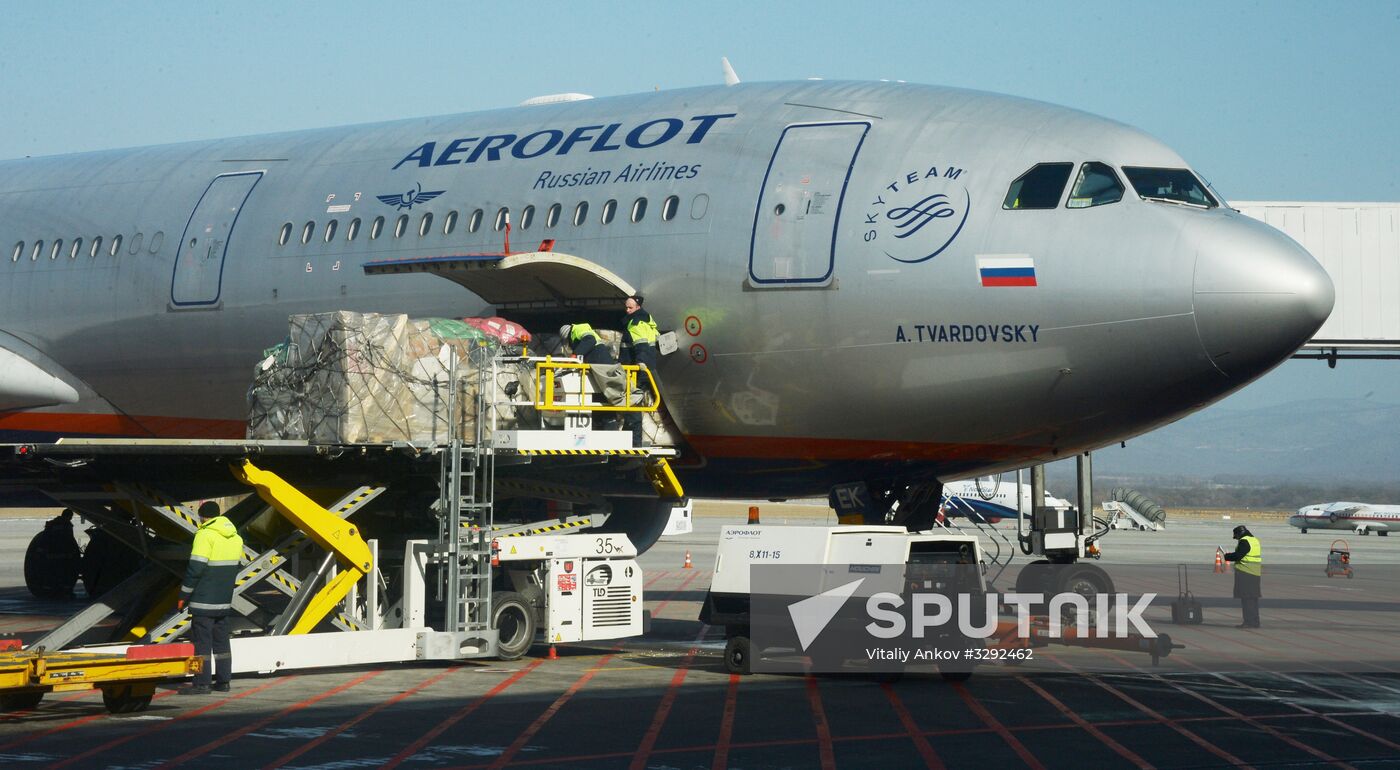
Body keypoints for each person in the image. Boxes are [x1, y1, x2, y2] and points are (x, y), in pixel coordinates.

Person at [178, 501, 243, 694]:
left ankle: (202, 683)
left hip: (203, 600)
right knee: (222, 642)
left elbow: (195, 569)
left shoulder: (204, 535)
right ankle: (224, 682)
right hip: (223, 600)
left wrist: (184, 594)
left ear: (203, 516)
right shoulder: (236, 538)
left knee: (201, 643)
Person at [560, 323, 626, 431]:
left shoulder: (578, 329)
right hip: (598, 368)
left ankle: (609, 428)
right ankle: (601, 427)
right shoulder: (578, 335)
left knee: (605, 397)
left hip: (601, 367)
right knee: (598, 399)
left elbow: (590, 340)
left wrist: (574, 356)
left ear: (567, 335)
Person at [1222, 524, 1262, 628]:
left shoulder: (1244, 541)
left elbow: (1239, 555)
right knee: (1253, 599)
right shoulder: (1254, 540)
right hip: (1255, 573)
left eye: (1236, 537)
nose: (1237, 539)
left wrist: (1227, 556)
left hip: (1246, 573)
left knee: (1246, 599)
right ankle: (1255, 621)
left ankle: (1248, 622)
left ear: (1239, 534)